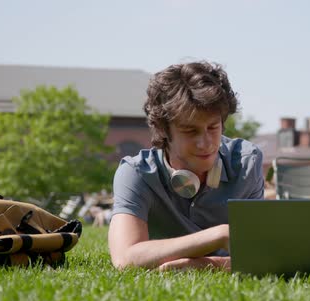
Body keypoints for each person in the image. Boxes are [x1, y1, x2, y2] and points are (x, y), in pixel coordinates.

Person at [108, 62, 264, 271]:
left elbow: (262, 255)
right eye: (190, 131)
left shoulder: (247, 162)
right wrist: (219, 235)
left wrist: (207, 265)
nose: (205, 142)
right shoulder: (136, 173)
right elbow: (125, 259)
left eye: (213, 127)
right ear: (164, 130)